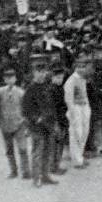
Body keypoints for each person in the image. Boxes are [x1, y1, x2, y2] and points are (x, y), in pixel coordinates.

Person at [22, 57, 59, 188]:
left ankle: (46, 175)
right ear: (33, 73)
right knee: (38, 152)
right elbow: (26, 109)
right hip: (37, 126)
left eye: (43, 71)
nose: (41, 74)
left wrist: (53, 121)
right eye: (38, 72)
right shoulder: (30, 89)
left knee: (48, 151)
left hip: (48, 125)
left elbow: (52, 105)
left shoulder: (48, 87)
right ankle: (36, 178)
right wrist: (36, 118)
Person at [0, 66, 30, 179]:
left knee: (22, 148)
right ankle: (13, 170)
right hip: (5, 124)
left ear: (15, 79)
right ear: (4, 80)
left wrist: (26, 123)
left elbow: (26, 108)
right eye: (7, 79)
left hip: (19, 124)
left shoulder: (21, 92)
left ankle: (26, 171)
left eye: (12, 78)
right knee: (9, 150)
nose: (10, 81)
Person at [64, 54, 91, 168]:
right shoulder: (71, 80)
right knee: (76, 134)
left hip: (84, 107)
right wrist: (73, 113)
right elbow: (68, 99)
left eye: (83, 66)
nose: (81, 69)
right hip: (76, 109)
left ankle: (80, 156)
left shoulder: (83, 78)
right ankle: (76, 160)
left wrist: (87, 108)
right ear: (75, 67)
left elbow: (85, 95)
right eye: (79, 66)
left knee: (84, 132)